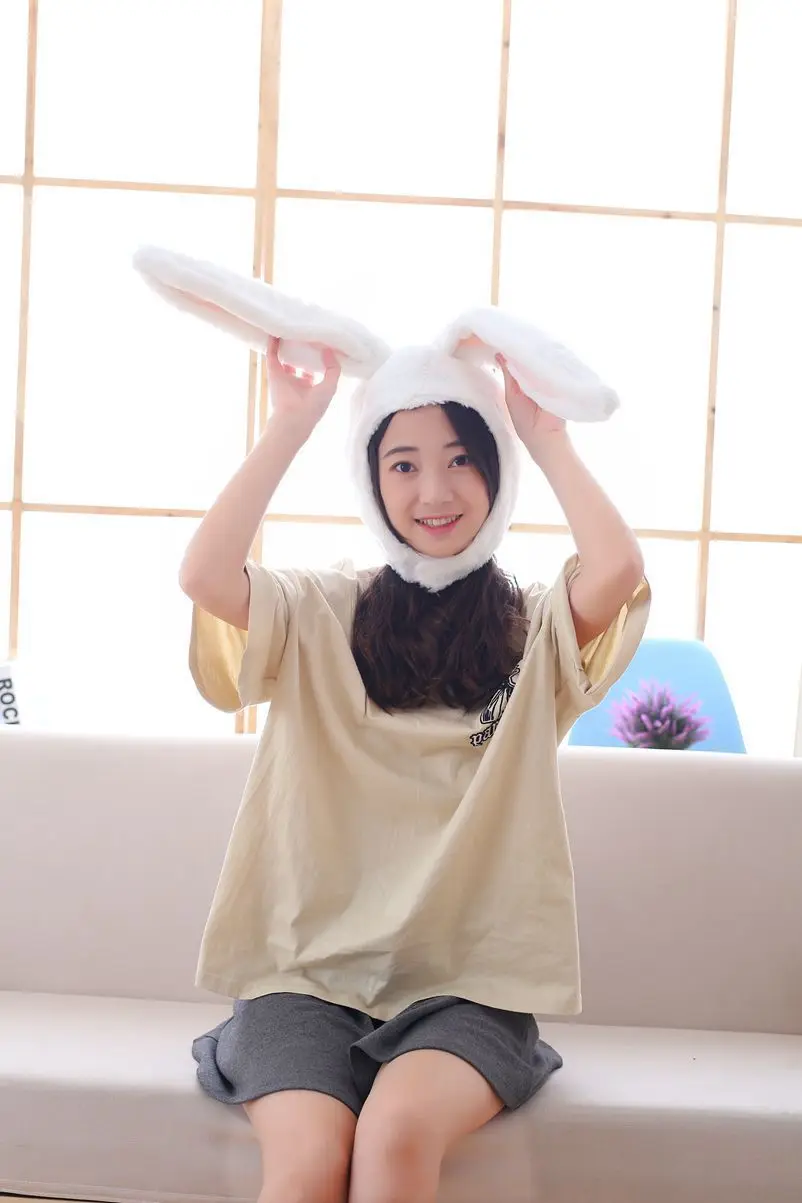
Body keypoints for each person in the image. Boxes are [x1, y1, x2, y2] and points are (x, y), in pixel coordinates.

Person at [180, 334, 650, 1203]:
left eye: (462, 458)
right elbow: (207, 575)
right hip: (304, 978)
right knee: (309, 1158)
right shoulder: (319, 610)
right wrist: (292, 423)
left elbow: (617, 568)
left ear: (496, 473)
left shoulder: (536, 632)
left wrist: (545, 434)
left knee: (396, 1134)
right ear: (371, 480)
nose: (434, 491)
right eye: (402, 464)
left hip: (468, 990)